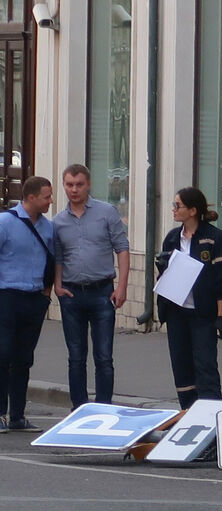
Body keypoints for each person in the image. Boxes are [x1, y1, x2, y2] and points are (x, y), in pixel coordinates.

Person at [52, 164, 131, 409]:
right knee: (76, 356)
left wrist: (122, 287)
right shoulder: (58, 221)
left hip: (102, 292)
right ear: (64, 186)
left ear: (88, 185)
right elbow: (58, 257)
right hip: (71, 293)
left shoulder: (106, 212)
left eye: (79, 184)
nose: (74, 190)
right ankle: (79, 408)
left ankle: (103, 407)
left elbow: (122, 248)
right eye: (69, 185)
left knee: (104, 356)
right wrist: (57, 286)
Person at [156, 187, 222, 410]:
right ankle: (187, 413)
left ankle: (211, 415)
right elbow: (165, 275)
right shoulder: (172, 238)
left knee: (205, 365)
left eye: (178, 205)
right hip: (176, 312)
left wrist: (220, 316)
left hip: (202, 313)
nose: (173, 209)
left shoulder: (214, 238)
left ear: (192, 210)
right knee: (181, 366)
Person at [0, 176, 55, 433]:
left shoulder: (48, 227)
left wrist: (46, 294)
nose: (50, 201)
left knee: (24, 358)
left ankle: (18, 416)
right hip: (7, 296)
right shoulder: (5, 222)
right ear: (31, 197)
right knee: (3, 354)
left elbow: (53, 261)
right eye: (46, 197)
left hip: (34, 298)